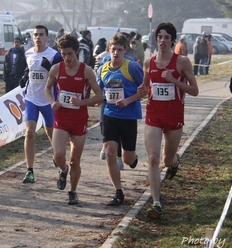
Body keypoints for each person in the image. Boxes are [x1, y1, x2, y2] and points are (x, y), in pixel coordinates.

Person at [138, 22, 199, 219]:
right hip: (153, 116)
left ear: (172, 40)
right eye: (160, 37)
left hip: (174, 117)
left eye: (166, 37)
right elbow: (147, 88)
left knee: (167, 159)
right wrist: (141, 91)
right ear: (156, 40)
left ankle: (174, 163)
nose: (162, 41)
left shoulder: (182, 62)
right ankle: (156, 203)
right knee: (154, 158)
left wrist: (174, 80)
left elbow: (195, 90)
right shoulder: (149, 63)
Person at [45, 34, 103, 205]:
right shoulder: (56, 69)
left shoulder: (86, 71)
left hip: (79, 120)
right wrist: (52, 102)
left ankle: (73, 191)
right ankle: (63, 170)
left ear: (76, 52)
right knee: (58, 155)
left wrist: (82, 102)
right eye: (63, 54)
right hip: (61, 117)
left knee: (75, 161)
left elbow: (99, 96)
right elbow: (48, 89)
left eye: (69, 54)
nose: (67, 58)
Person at [97, 33, 144, 206]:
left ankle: (133, 158)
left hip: (129, 117)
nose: (115, 53)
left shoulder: (132, 67)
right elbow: (98, 90)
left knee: (127, 160)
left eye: (119, 50)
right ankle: (118, 192)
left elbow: (145, 89)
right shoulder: (102, 68)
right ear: (108, 50)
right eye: (113, 49)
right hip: (110, 115)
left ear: (125, 51)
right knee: (110, 153)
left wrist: (127, 100)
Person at [21, 25, 63, 183]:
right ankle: (29, 170)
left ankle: (56, 155)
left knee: (51, 132)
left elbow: (61, 76)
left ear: (47, 38)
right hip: (31, 97)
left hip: (48, 100)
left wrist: (50, 69)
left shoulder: (54, 55)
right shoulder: (28, 53)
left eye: (41, 35)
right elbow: (29, 69)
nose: (38, 37)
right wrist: (25, 76)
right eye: (35, 35)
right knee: (30, 132)